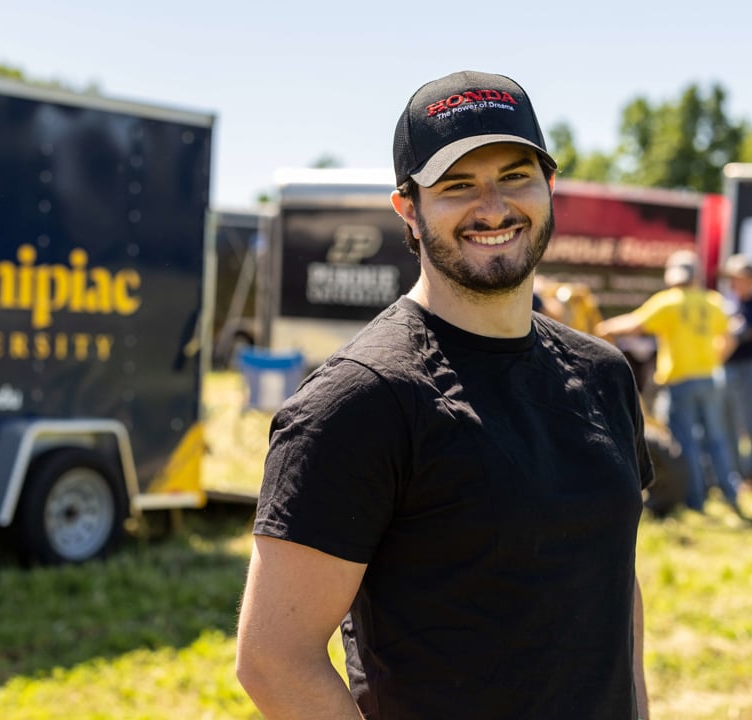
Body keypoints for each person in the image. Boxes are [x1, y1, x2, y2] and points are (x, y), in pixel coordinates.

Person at [236, 70, 653, 720]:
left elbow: (613, 585)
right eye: (458, 185)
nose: (493, 207)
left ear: (548, 188)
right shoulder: (359, 399)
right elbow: (273, 660)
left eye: (515, 175)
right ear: (408, 208)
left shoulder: (603, 374)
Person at [597, 253, 742, 515]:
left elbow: (634, 324)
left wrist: (602, 327)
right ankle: (731, 494)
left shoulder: (669, 302)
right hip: (710, 378)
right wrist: (713, 359)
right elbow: (730, 337)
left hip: (680, 381)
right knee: (716, 438)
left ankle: (695, 500)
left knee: (684, 442)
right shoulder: (713, 301)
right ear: (696, 276)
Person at [720, 254, 752, 490]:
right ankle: (736, 473)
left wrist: (727, 337)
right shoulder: (730, 303)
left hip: (748, 369)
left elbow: (741, 334)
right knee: (729, 421)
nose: (736, 283)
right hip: (728, 369)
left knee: (751, 421)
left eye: (741, 278)